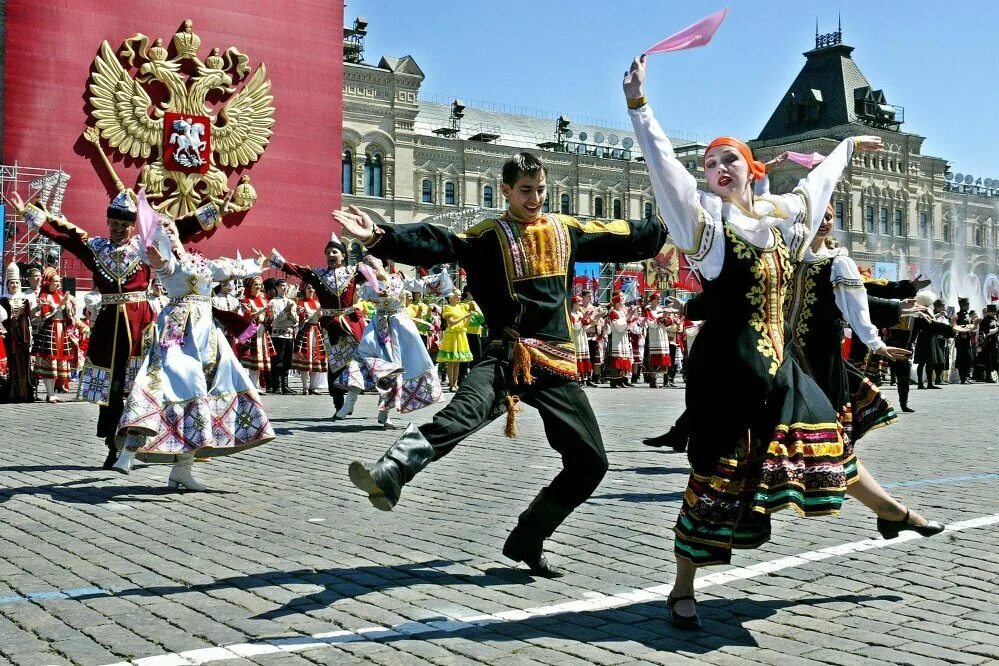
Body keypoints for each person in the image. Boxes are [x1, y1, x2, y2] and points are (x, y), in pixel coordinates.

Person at [625, 55, 941, 630]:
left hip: (782, 368)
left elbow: (816, 186)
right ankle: (682, 587)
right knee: (716, 474)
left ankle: (892, 511)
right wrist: (640, 108)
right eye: (709, 162)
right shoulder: (708, 229)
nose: (716, 167)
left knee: (829, 448)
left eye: (728, 159)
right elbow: (664, 168)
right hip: (728, 371)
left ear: (750, 169)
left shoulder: (783, 220)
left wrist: (845, 150)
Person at [337, 150, 668, 578]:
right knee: (463, 414)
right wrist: (380, 237)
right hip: (505, 355)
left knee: (591, 462)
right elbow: (440, 242)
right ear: (506, 191)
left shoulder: (566, 230)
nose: (534, 199)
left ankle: (529, 536)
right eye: (525, 191)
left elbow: (621, 233)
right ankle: (392, 471)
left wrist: (670, 223)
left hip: (555, 364)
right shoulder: (488, 236)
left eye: (541, 190)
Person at [11, 190, 229, 468]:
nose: (117, 230)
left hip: (142, 324)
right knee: (112, 389)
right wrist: (29, 213)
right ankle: (113, 446)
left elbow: (179, 228)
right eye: (113, 224)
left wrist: (214, 210)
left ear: (132, 225)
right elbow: (64, 236)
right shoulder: (97, 247)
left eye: (124, 225)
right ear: (108, 223)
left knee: (146, 384)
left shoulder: (145, 244)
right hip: (109, 327)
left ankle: (155, 439)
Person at [112, 219, 275, 489]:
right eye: (162, 232)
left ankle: (182, 470)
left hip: (207, 335)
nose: (169, 235)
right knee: (163, 382)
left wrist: (256, 265)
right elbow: (167, 267)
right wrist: (157, 259)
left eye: (171, 230)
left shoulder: (199, 261)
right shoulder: (165, 259)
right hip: (179, 331)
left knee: (208, 392)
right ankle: (130, 448)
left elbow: (225, 269)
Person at [336, 255, 442, 427]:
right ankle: (349, 402)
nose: (371, 270)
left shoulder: (399, 278)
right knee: (362, 361)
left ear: (383, 265)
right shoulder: (367, 286)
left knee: (392, 370)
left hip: (399, 328)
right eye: (368, 267)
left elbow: (420, 284)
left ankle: (384, 413)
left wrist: (441, 277)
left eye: (374, 266)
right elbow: (358, 296)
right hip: (378, 327)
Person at [269, 235, 364, 414]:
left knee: (356, 362)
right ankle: (339, 403)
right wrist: (276, 260)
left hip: (351, 324)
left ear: (343, 255)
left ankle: (352, 396)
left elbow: (374, 273)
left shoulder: (353, 272)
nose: (331, 255)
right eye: (328, 252)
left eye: (335, 251)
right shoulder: (318, 274)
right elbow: (298, 270)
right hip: (330, 326)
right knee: (335, 364)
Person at [32, 268, 75, 403]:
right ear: (48, 282)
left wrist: (69, 306)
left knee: (57, 361)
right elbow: (46, 315)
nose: (59, 284)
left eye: (59, 281)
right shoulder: (44, 295)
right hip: (50, 329)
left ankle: (52, 393)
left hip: (61, 329)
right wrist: (61, 304)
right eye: (56, 281)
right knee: (50, 361)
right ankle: (49, 393)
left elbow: (68, 315)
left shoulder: (60, 294)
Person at [0, 263, 36, 402]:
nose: (14, 285)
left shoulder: (25, 299)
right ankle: (12, 393)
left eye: (16, 282)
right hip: (9, 335)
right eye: (11, 283)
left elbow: (29, 318)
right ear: (7, 284)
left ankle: (25, 393)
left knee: (24, 362)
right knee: (12, 363)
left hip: (23, 334)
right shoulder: (3, 300)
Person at [238, 276, 274, 393]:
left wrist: (271, 313)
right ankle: (247, 385)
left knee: (259, 359)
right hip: (251, 331)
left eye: (259, 285)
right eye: (255, 285)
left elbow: (269, 319)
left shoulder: (264, 300)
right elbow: (248, 316)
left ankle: (255, 385)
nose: (258, 287)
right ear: (249, 286)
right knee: (249, 359)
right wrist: (263, 311)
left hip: (262, 331)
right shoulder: (245, 300)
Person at [293, 282, 328, 395]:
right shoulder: (302, 303)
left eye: (312, 288)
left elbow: (322, 320)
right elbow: (301, 320)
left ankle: (313, 387)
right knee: (305, 359)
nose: (311, 290)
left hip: (317, 332)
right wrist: (301, 313)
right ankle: (304, 387)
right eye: (309, 288)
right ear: (304, 290)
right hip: (306, 332)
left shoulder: (318, 303)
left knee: (315, 359)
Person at [268, 278, 300, 395]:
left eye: (286, 286)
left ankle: (285, 385)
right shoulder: (273, 302)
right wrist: (285, 311)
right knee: (278, 360)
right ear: (276, 288)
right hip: (278, 335)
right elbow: (275, 320)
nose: (285, 288)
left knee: (287, 361)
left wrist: (290, 314)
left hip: (289, 334)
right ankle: (277, 386)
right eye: (282, 286)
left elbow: (296, 321)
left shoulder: (292, 302)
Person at [437, 290, 472, 391]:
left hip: (460, 334)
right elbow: (451, 322)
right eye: (458, 296)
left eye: (460, 295)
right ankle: (451, 383)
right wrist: (464, 316)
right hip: (452, 335)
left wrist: (469, 315)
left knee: (458, 362)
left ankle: (455, 383)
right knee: (451, 361)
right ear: (451, 297)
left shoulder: (461, 307)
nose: (460, 297)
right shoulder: (448, 307)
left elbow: (466, 323)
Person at [569, 296, 592, 385]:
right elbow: (575, 326)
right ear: (574, 303)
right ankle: (576, 379)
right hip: (576, 337)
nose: (581, 304)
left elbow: (584, 326)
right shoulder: (571, 314)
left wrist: (587, 320)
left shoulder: (580, 313)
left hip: (582, 336)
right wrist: (582, 320)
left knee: (583, 356)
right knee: (577, 356)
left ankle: (583, 378)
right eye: (579, 303)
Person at [978, 304, 998, 382]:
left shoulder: (994, 319)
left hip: (994, 342)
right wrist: (996, 329)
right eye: (992, 311)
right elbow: (987, 332)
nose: (994, 313)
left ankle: (993, 375)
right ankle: (988, 377)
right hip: (987, 343)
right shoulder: (985, 320)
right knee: (988, 360)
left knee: (994, 360)